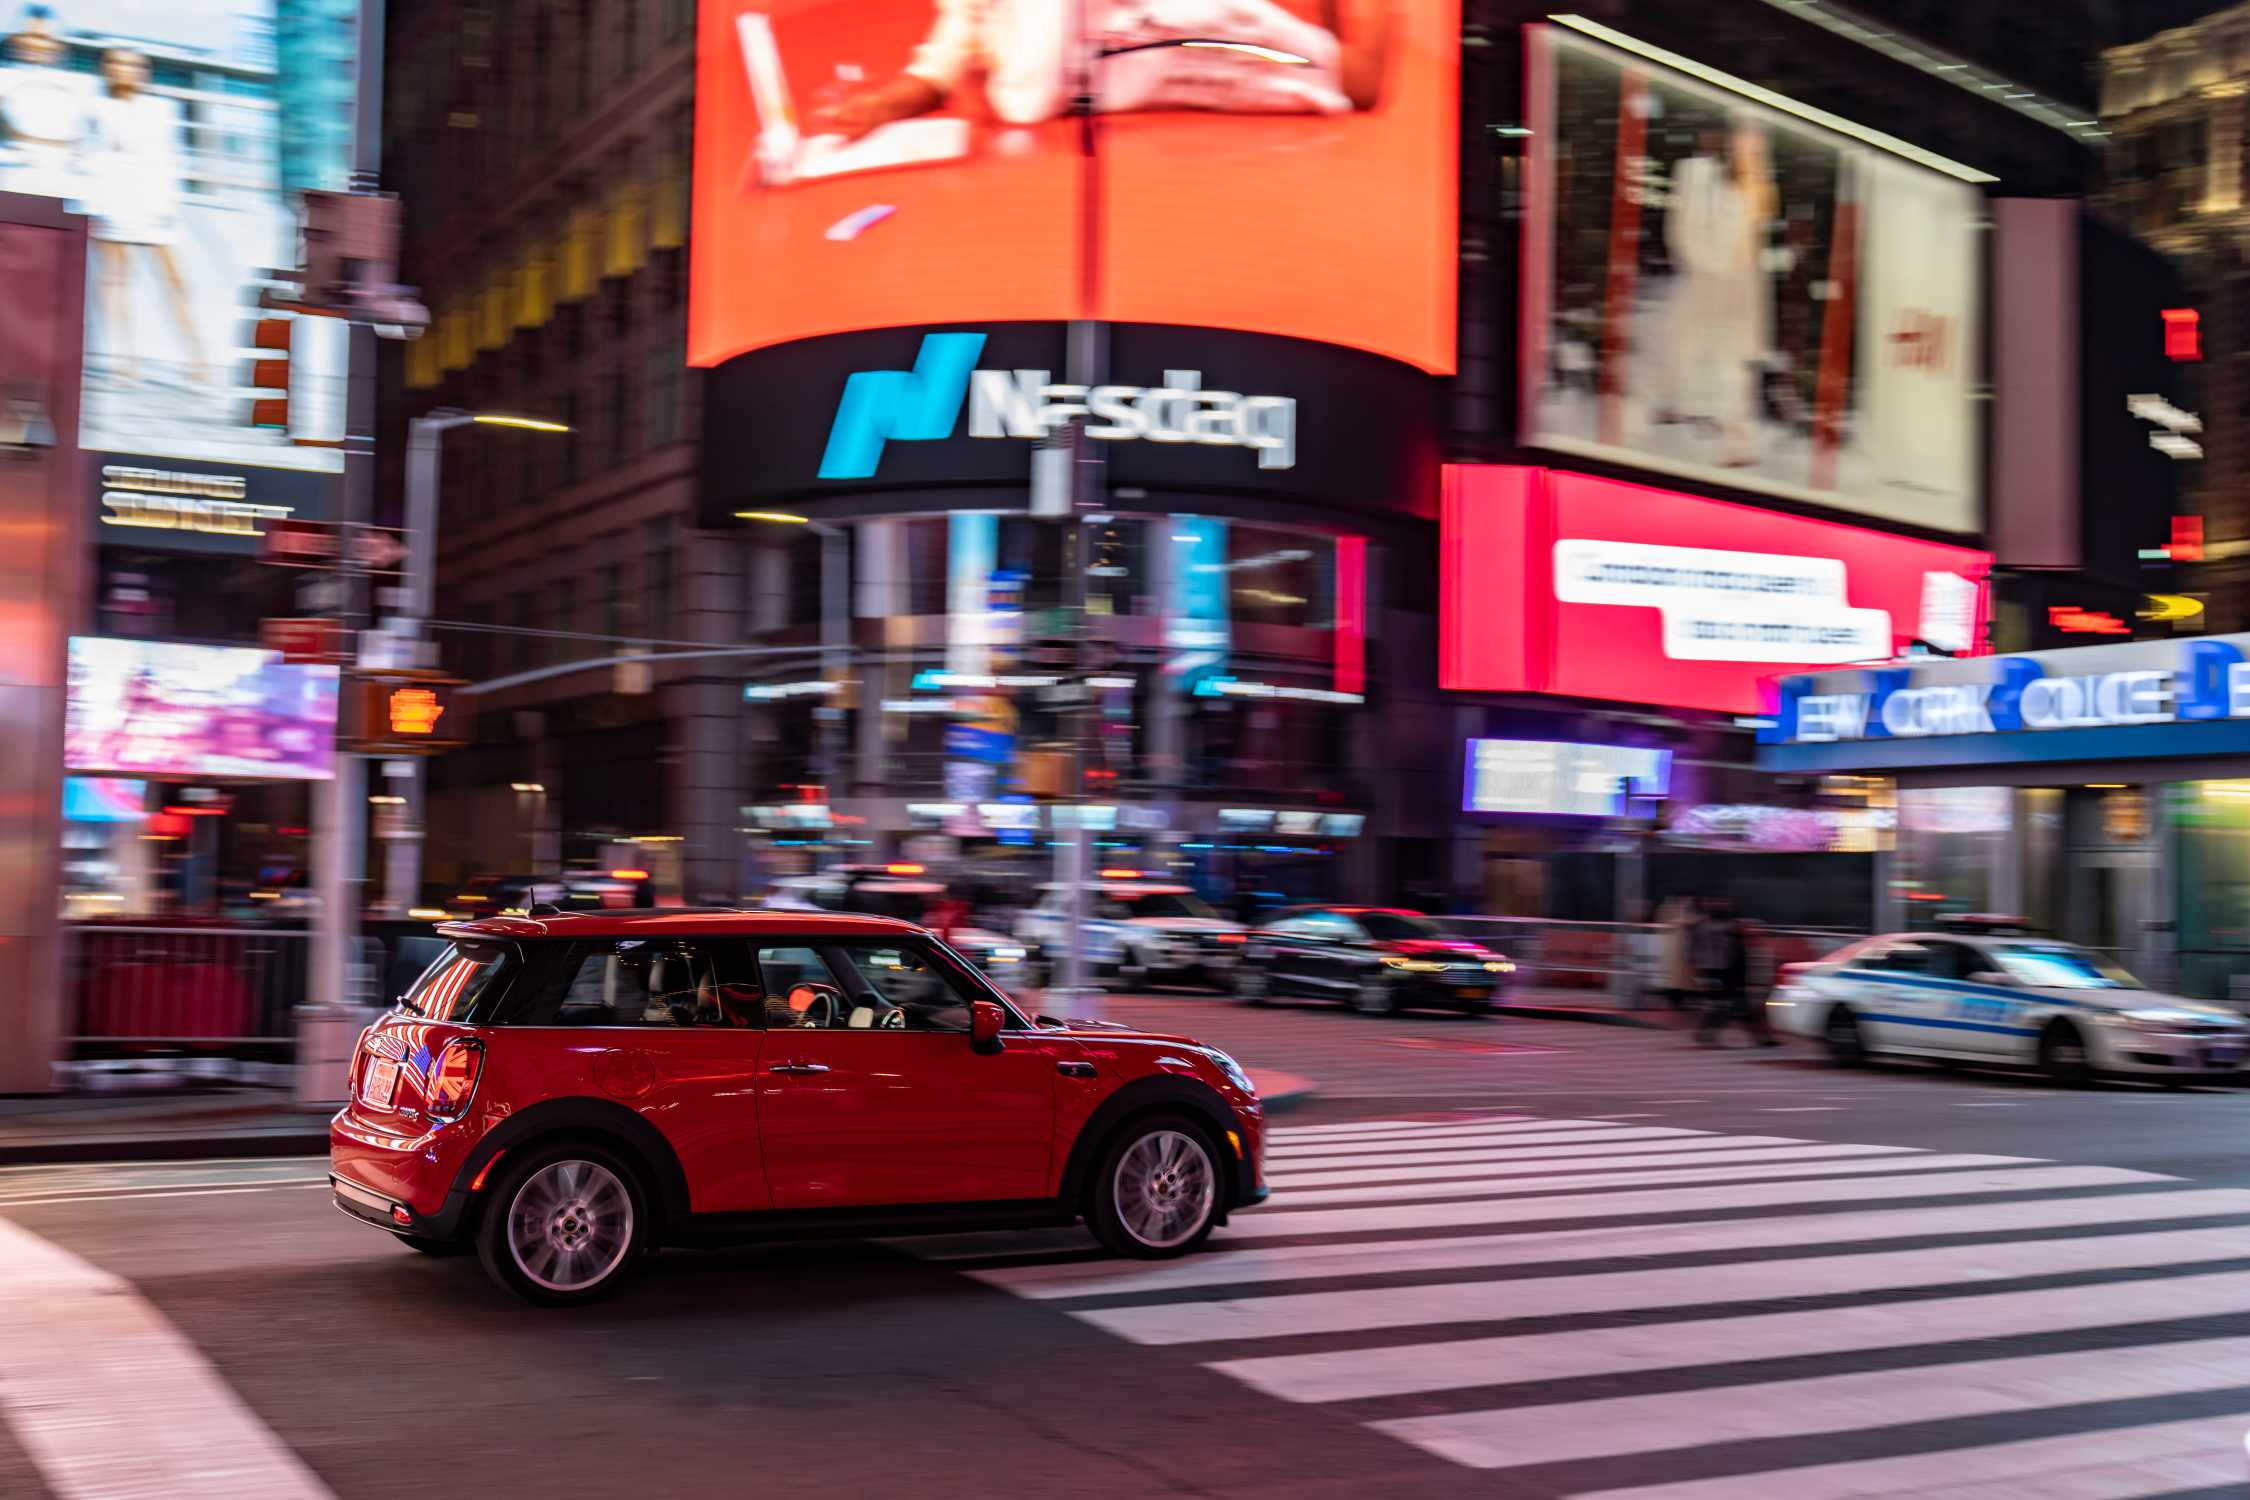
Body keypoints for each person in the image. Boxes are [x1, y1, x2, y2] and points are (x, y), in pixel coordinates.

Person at [818, 0, 1394, 138]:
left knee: (1356, 82)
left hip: (1161, 28)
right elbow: (938, 66)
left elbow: (1026, 96)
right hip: (1130, 71)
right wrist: (879, 108)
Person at [82, 48, 207, 387]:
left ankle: (197, 359)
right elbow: (89, 156)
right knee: (114, 282)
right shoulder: (95, 107)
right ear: (107, 69)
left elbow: (170, 158)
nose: (124, 70)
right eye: (116, 64)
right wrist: (95, 203)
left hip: (154, 206)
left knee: (176, 283)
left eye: (132, 65)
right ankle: (124, 360)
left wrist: (168, 204)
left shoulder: (162, 109)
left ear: (144, 71)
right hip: (112, 203)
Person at [0, 5, 89, 204]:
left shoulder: (77, 87)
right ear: (15, 39)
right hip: (11, 188)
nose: (35, 44)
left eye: (43, 38)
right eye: (29, 36)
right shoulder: (3, 79)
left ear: (58, 45)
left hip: (60, 191)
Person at [1694, 901, 1776, 1048]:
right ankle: (1762, 1038)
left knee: (1734, 1009)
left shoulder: (1721, 932)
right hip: (1728, 977)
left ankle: (1762, 1038)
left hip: (1726, 977)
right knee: (1730, 1009)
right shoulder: (1727, 933)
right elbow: (1731, 959)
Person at [1656, 894, 1699, 1011]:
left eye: (1690, 901)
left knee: (1683, 978)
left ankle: (1680, 1001)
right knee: (1677, 979)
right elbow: (1669, 925)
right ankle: (1676, 1001)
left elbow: (1692, 921)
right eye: (1686, 901)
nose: (1688, 903)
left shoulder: (1688, 914)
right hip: (1676, 952)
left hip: (1686, 951)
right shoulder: (1673, 913)